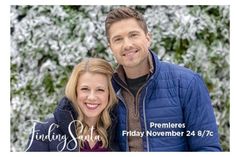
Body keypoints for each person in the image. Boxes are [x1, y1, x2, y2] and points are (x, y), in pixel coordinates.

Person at [105, 7, 221, 151]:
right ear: (110, 48)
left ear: (148, 38)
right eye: (118, 39)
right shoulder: (106, 90)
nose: (127, 44)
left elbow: (207, 148)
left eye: (133, 35)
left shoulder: (187, 83)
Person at [26, 58, 119, 151]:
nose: (92, 97)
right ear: (75, 91)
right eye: (85, 89)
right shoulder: (45, 131)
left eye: (100, 90)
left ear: (110, 94)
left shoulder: (120, 132)